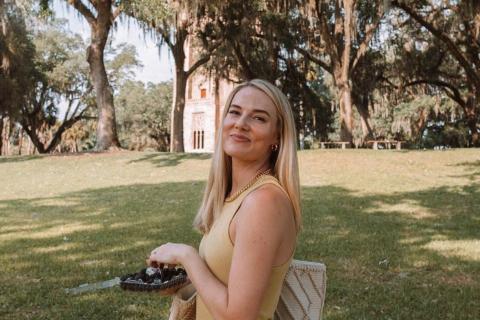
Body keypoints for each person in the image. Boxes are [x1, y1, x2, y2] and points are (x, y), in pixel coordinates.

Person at [147, 79, 301, 320]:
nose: (241, 124)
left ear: (277, 137)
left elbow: (238, 316)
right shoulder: (237, 196)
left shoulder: (264, 201)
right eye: (235, 112)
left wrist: (187, 256)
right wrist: (184, 280)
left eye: (258, 118)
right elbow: (229, 284)